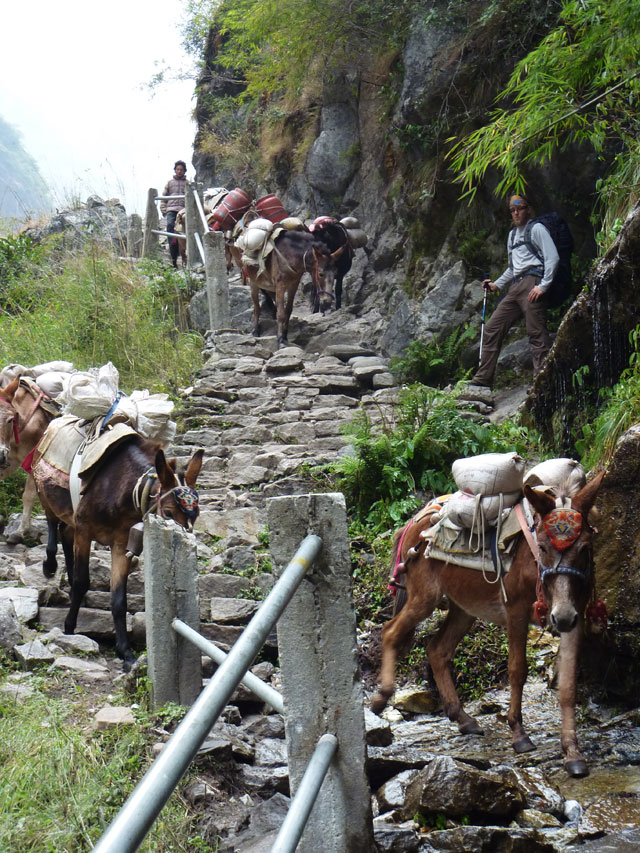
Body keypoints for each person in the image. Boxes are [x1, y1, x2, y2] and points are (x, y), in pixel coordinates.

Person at [469, 194, 559, 388]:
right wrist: (497, 285)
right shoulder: (512, 236)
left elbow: (553, 258)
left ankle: (541, 383)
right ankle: (483, 379)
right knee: (492, 328)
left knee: (535, 332)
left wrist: (543, 286)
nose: (516, 212)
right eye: (512, 210)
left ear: (529, 209)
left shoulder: (537, 229)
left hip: (532, 282)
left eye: (520, 208)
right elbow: (512, 267)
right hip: (515, 287)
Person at [160, 160, 187, 268]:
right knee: (170, 225)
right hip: (171, 209)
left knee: (184, 231)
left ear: (184, 171)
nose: (179, 171)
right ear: (175, 170)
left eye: (181, 170)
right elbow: (163, 197)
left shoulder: (188, 183)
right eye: (177, 169)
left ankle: (184, 255)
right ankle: (173, 246)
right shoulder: (170, 183)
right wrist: (163, 209)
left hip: (183, 210)